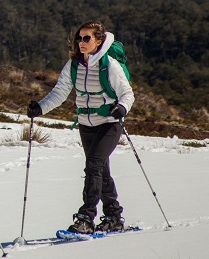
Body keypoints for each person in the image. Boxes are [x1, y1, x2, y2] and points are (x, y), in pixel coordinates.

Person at [26, 21, 135, 234]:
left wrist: (122, 108)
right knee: (101, 170)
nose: (81, 42)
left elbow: (127, 93)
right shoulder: (73, 65)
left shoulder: (109, 64)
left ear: (99, 41)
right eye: (79, 38)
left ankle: (86, 217)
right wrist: (39, 108)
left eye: (87, 38)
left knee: (94, 166)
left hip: (109, 124)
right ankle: (113, 216)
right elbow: (59, 93)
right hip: (86, 125)